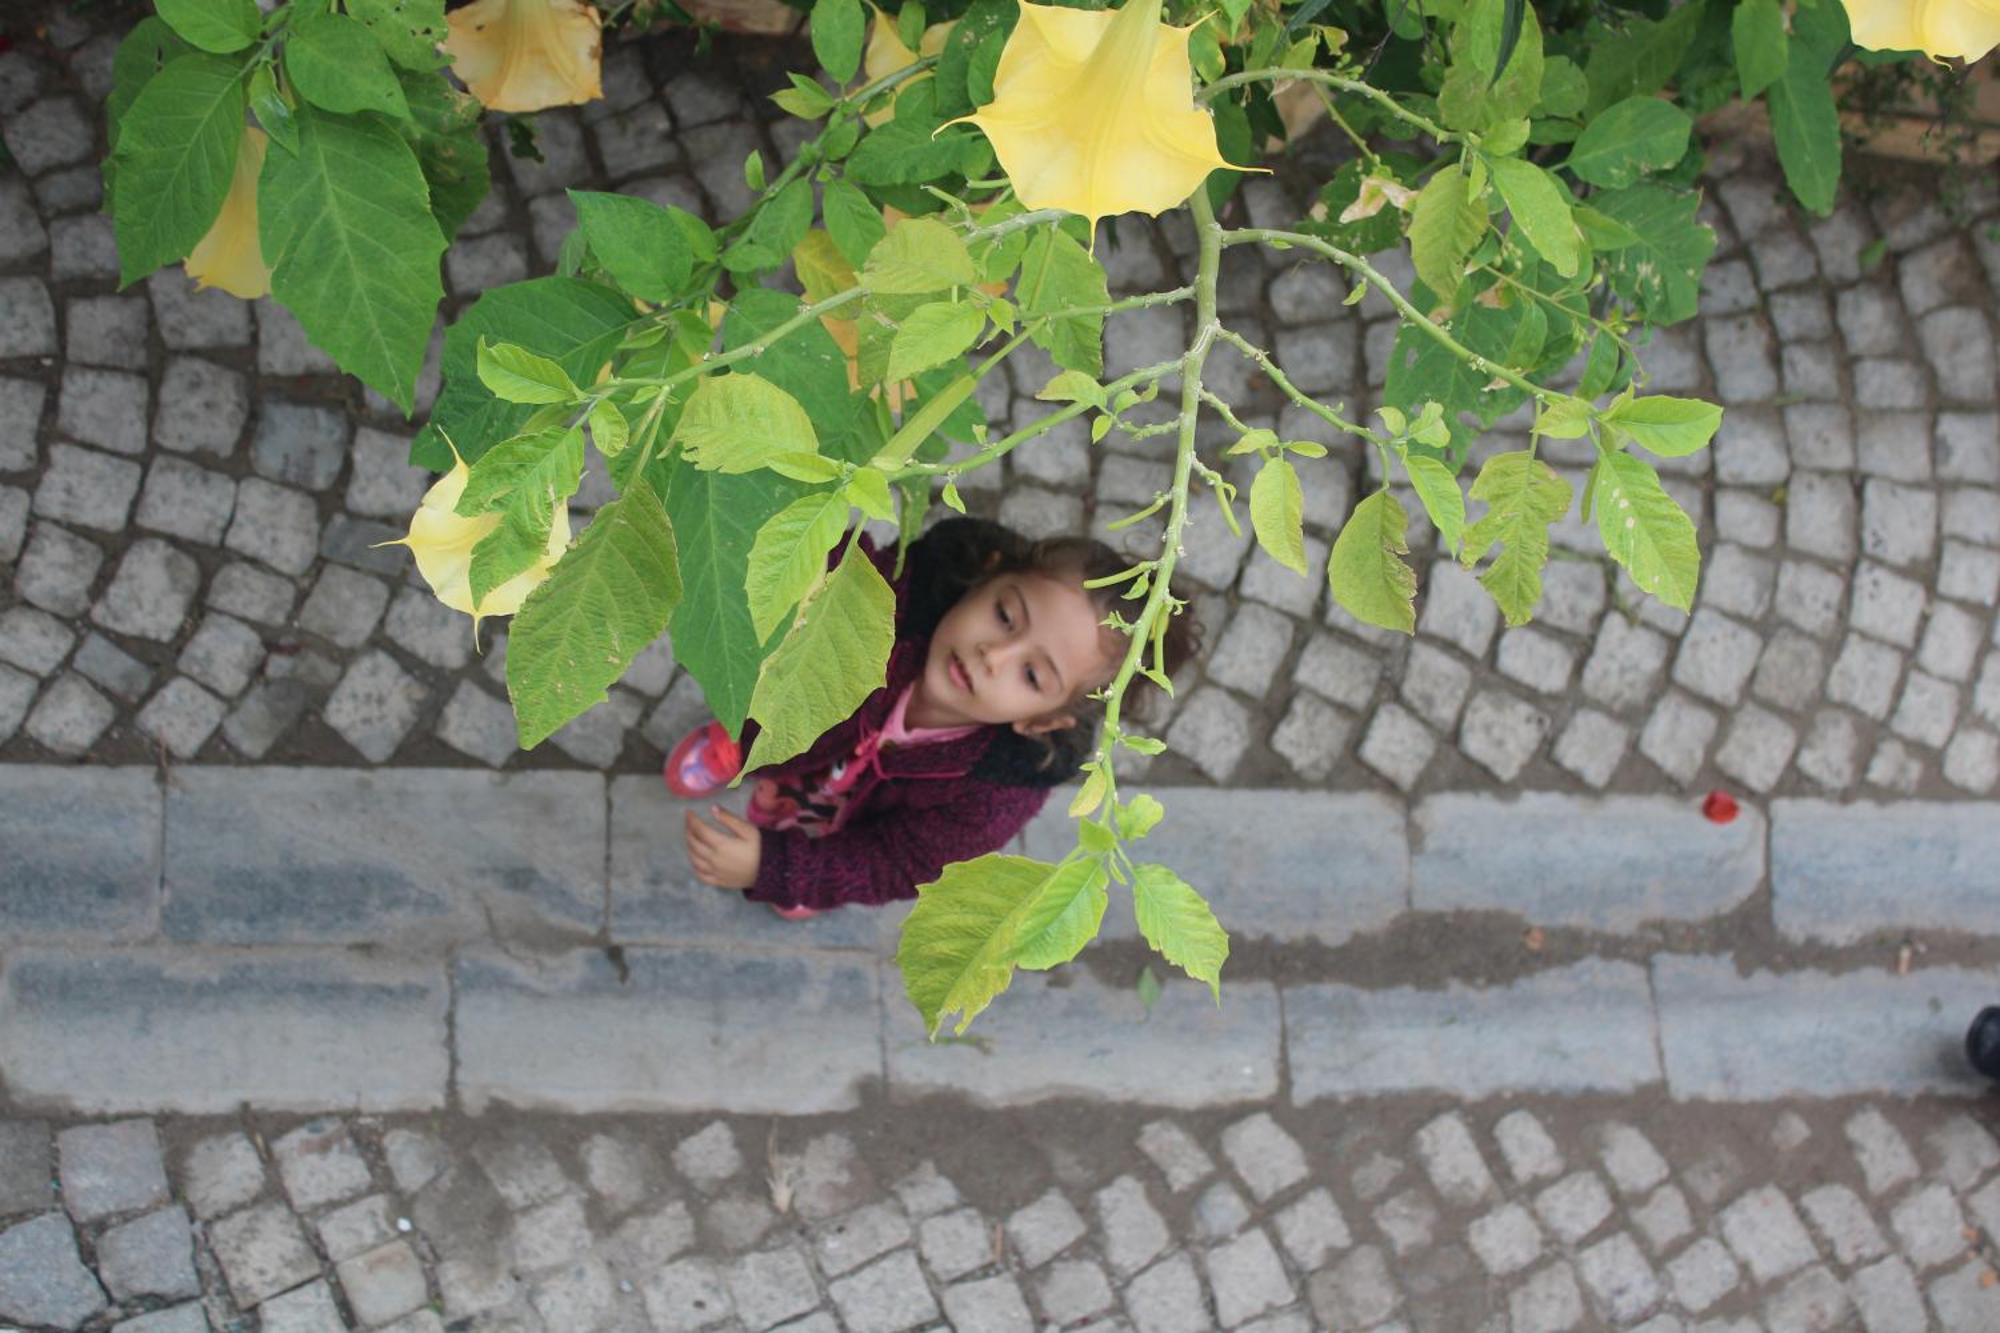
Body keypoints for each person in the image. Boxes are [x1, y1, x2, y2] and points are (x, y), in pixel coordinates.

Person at [665, 516, 1199, 917]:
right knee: (756, 729)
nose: (994, 655)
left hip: (847, 821)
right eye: (1005, 615)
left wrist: (778, 868)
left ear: (1041, 722)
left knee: (813, 861)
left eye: (1033, 677)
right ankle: (736, 746)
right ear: (984, 580)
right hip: (785, 724)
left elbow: (890, 864)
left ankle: (796, 868)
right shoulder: (890, 605)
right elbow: (814, 564)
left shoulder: (991, 799)